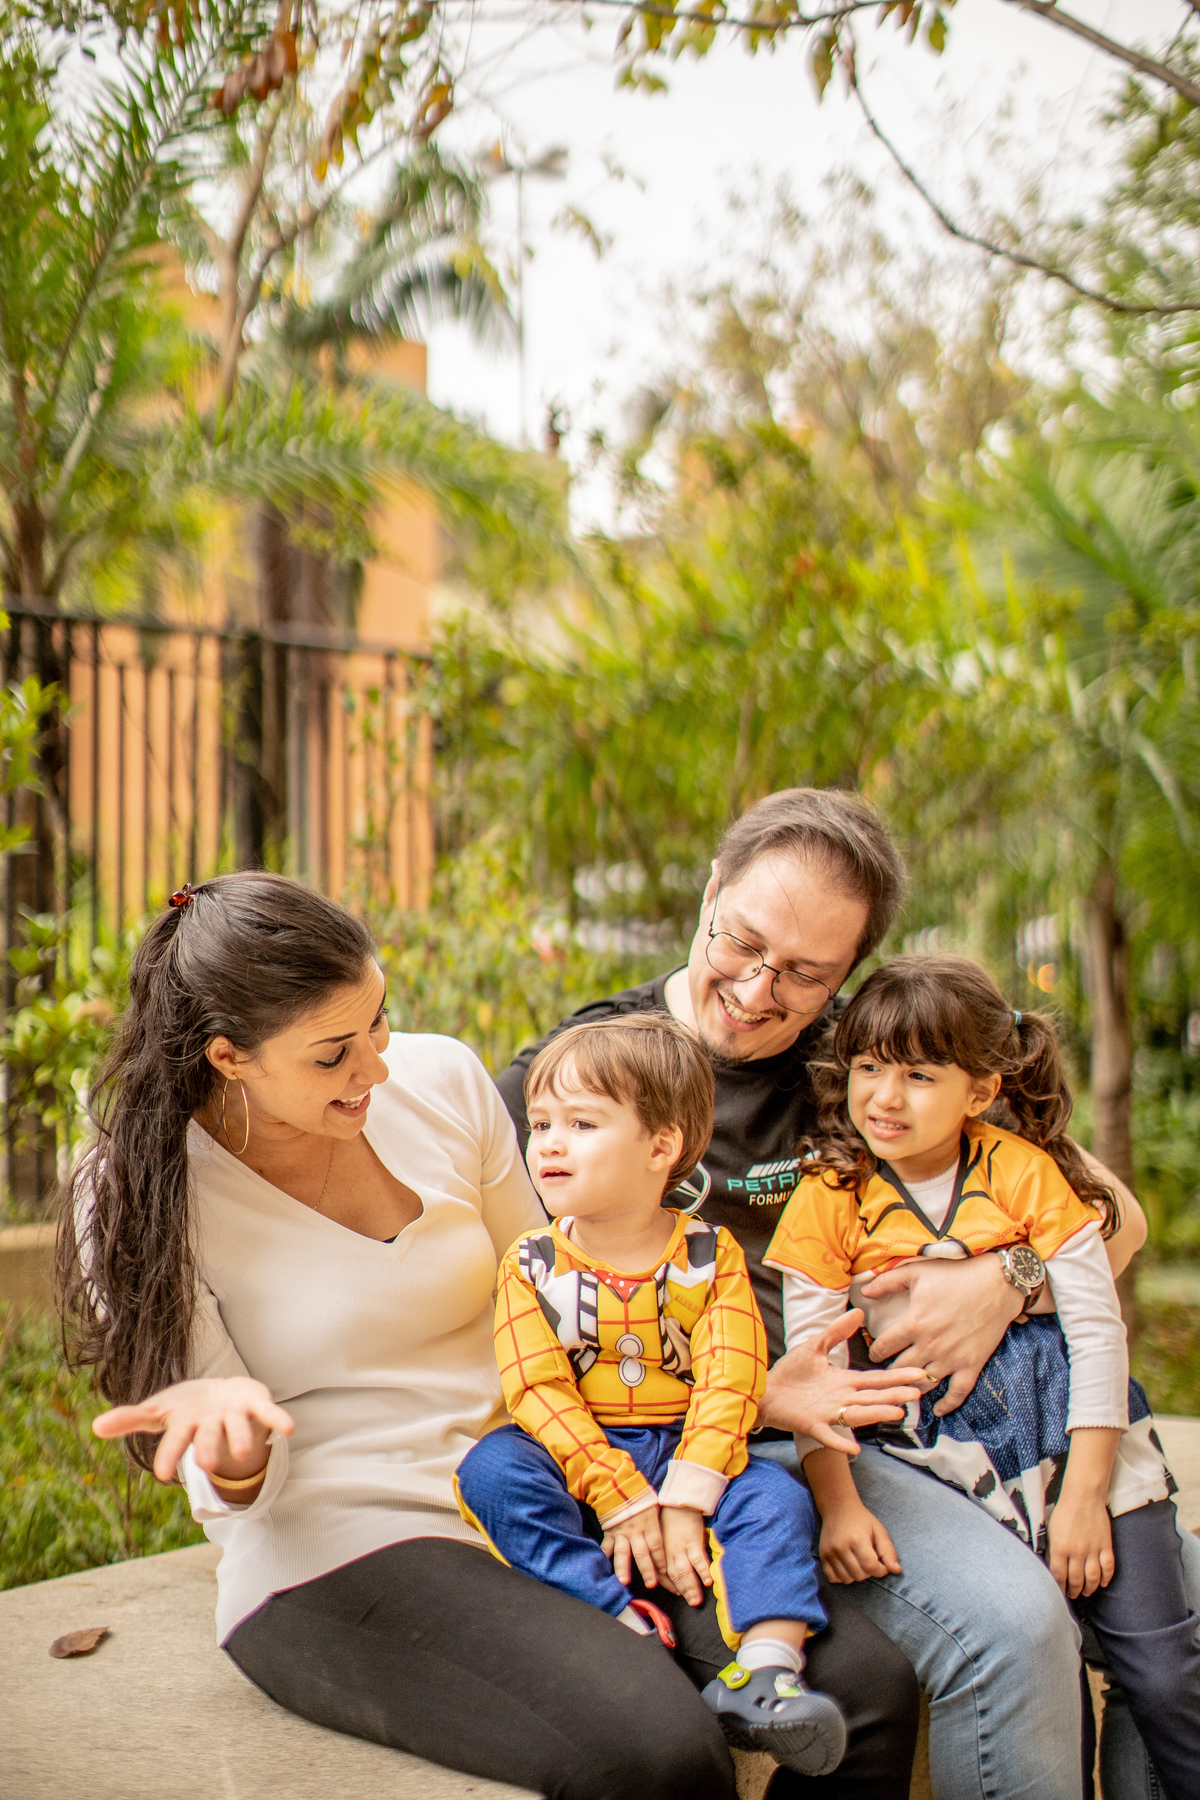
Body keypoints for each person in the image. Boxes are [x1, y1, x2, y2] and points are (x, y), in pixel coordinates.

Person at [58, 870, 914, 1800]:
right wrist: (233, 1447)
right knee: (658, 1754)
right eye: (333, 1053)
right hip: (343, 1542)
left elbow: (559, 1288)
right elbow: (230, 1484)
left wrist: (725, 1388)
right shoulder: (136, 1190)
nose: (375, 1068)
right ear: (230, 1058)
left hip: (548, 1478)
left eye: (377, 1021)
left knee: (865, 1687)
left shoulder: (440, 1080)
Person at [495, 785, 1200, 1800]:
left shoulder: (866, 1060)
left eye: (805, 973)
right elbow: (514, 1314)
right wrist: (741, 1399)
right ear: (711, 888)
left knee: (1174, 1605)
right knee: (1012, 1627)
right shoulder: (582, 1077)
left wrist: (1005, 1281)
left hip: (952, 1418)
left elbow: (1113, 1219)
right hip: (768, 1448)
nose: (757, 988)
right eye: (741, 943)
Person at [763, 955, 1199, 1800]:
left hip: (1088, 1450)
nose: (884, 1097)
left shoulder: (1025, 1170)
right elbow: (817, 1378)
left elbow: (1097, 1328)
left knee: (1163, 1667)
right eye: (867, 1068)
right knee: (1049, 1674)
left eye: (919, 1075)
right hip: (952, 1464)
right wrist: (842, 1501)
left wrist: (1085, 1493)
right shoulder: (830, 1195)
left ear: (980, 1089)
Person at [456, 1014, 853, 1777]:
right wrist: (624, 1499)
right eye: (541, 1124)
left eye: (581, 1122)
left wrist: (689, 1492)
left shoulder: (709, 1254)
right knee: (492, 1471)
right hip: (575, 1452)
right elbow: (535, 1388)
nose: (549, 1142)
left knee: (777, 1497)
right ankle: (614, 1616)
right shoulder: (531, 1263)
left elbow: (732, 1373)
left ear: (661, 1148)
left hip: (686, 1439)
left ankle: (767, 1670)